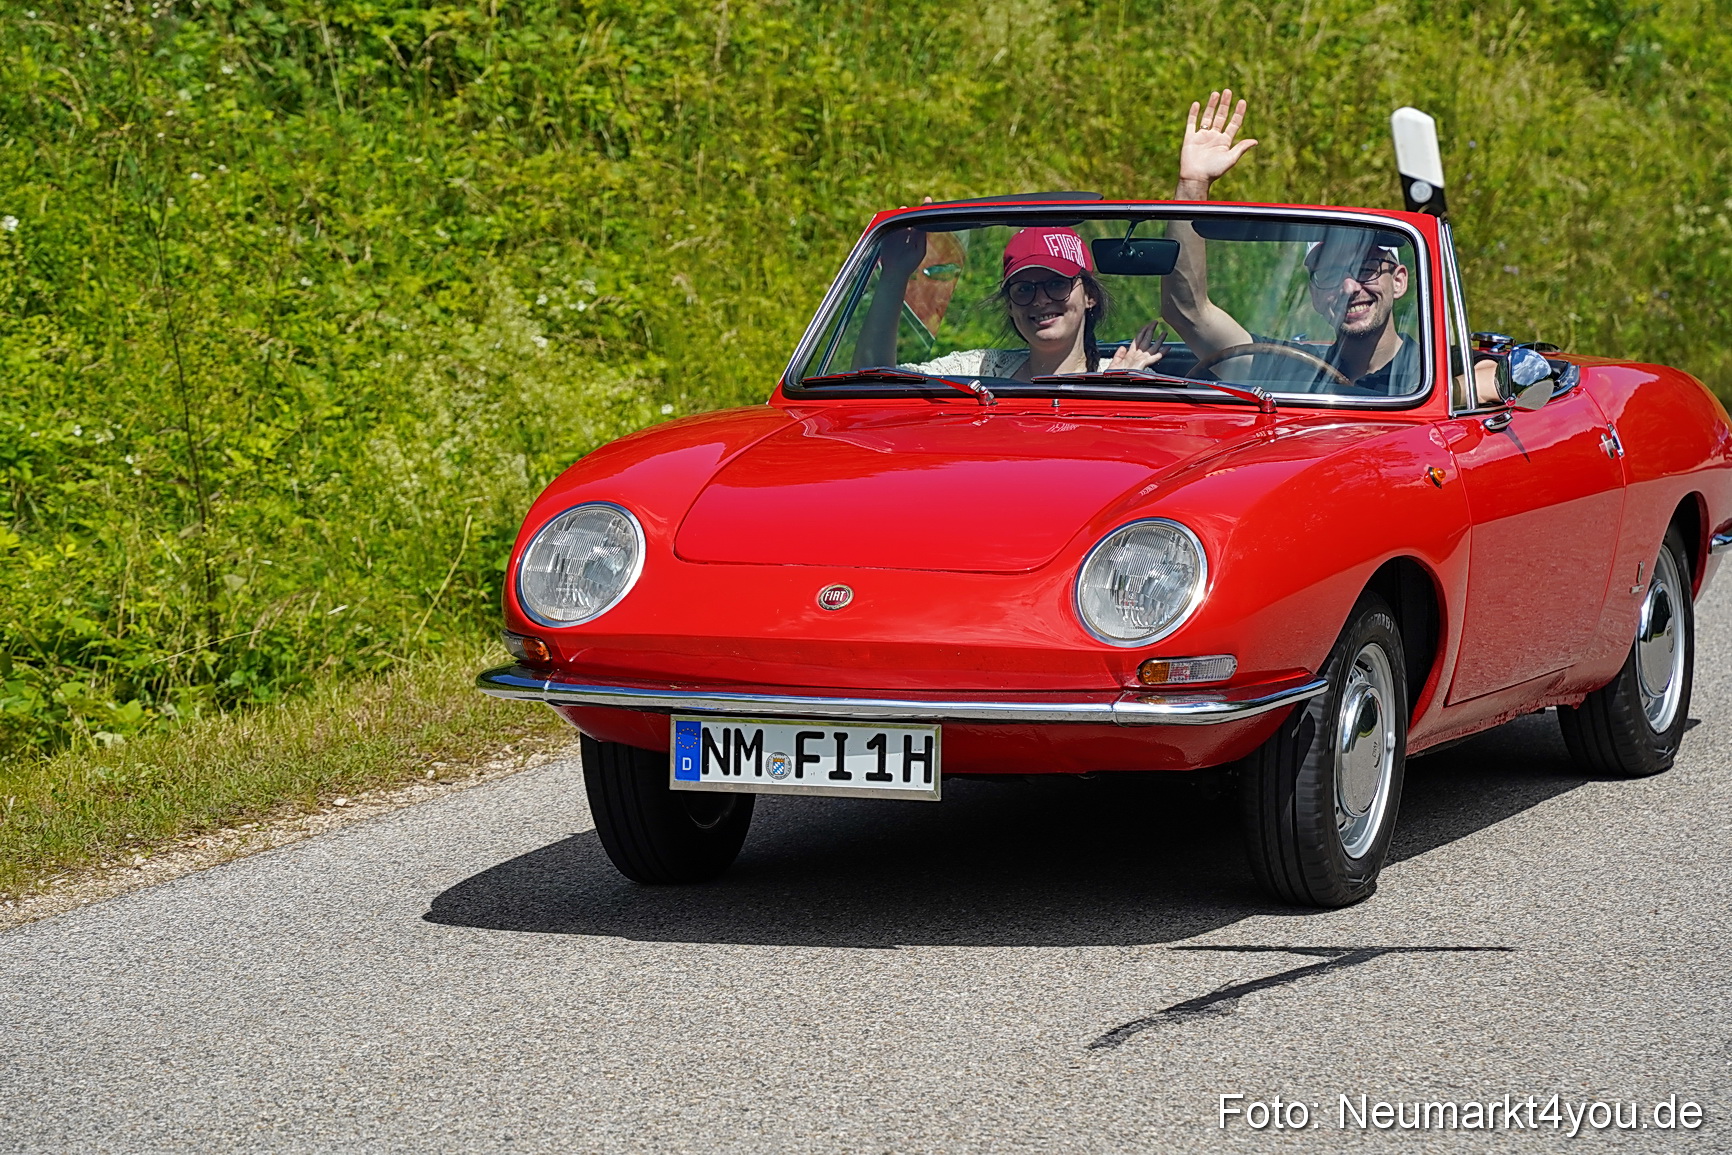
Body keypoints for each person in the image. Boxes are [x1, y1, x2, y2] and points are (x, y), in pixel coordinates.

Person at [1160, 89, 1500, 403]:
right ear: (1314, 294)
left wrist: (1449, 392)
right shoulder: (1287, 369)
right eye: (1331, 274)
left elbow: (1495, 378)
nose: (1350, 287)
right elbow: (1188, 311)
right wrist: (1193, 185)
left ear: (1399, 280)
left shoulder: (1436, 370)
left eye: (1366, 269)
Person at [850, 223, 1165, 381]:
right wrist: (895, 273)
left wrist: (1116, 391)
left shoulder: (1124, 375)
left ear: (1089, 296)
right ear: (1011, 306)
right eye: (1024, 289)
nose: (1040, 300)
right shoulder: (977, 370)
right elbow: (874, 381)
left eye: (1057, 284)